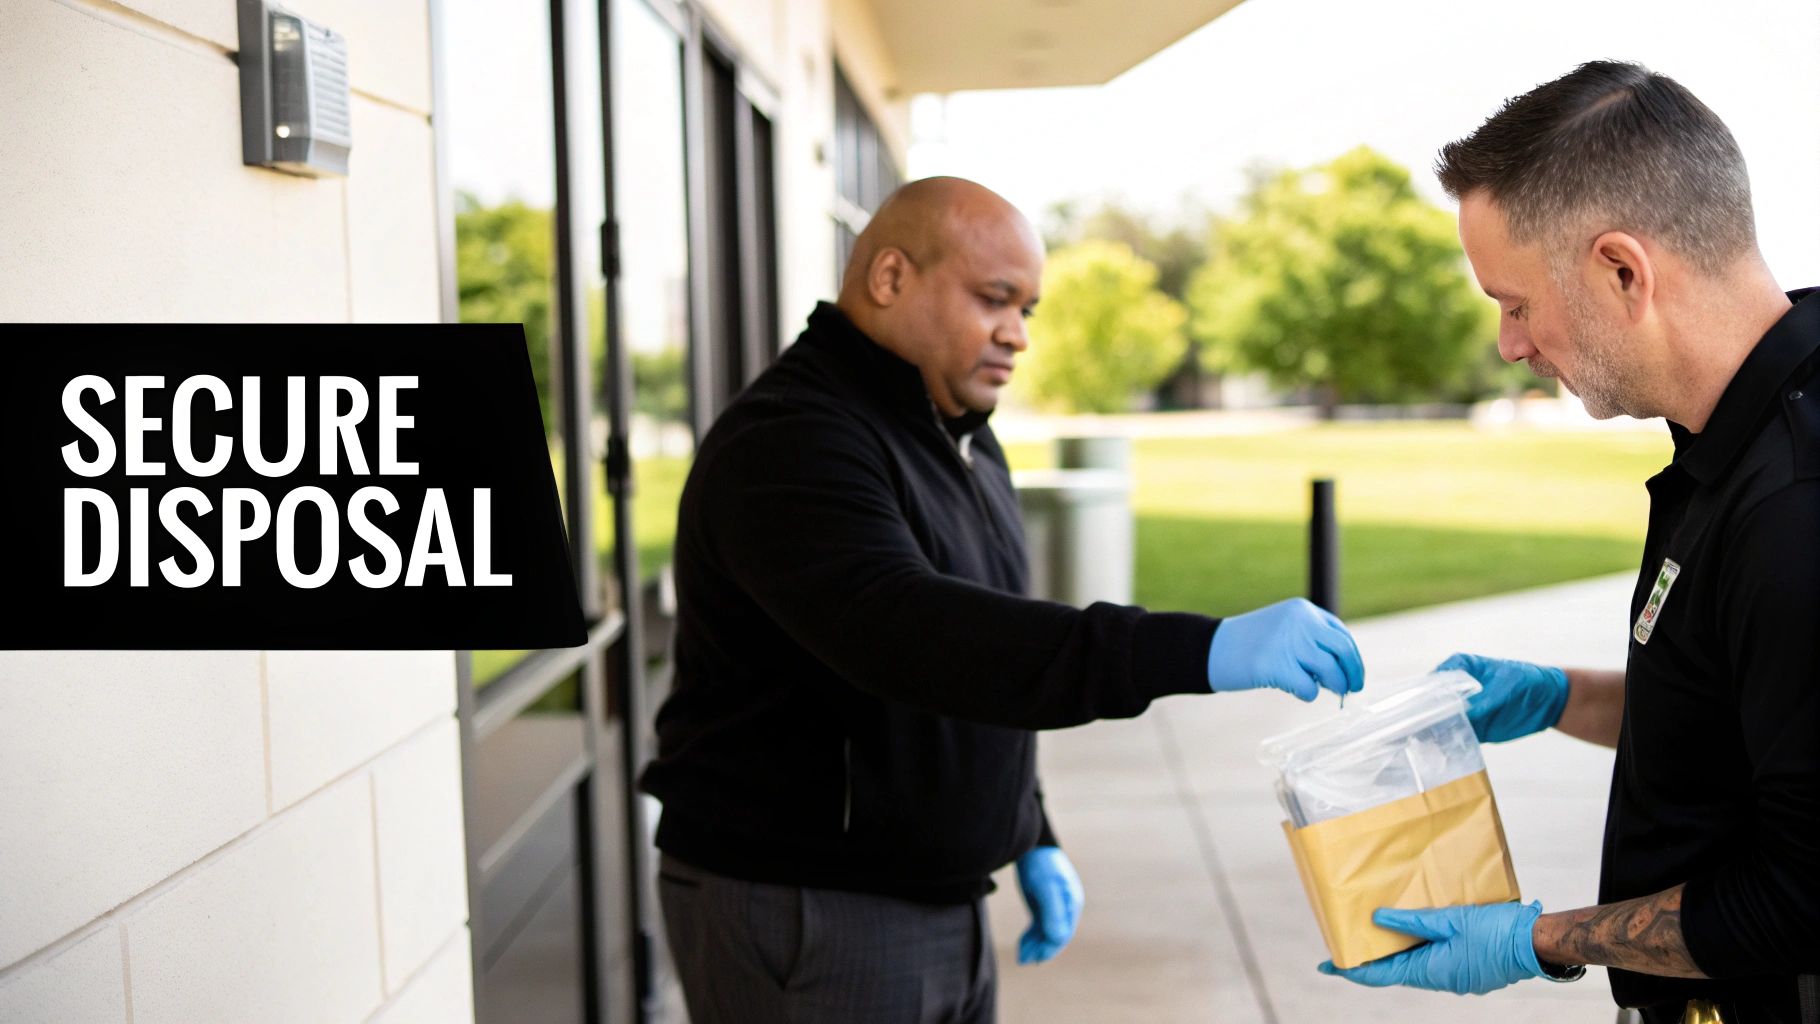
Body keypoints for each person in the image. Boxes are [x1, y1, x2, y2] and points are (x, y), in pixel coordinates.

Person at [639, 175, 1364, 1024]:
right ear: (889, 278)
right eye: (995, 299)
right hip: (814, 906)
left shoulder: (960, 439)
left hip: (931, 890)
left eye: (1029, 309)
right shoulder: (793, 442)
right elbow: (918, 637)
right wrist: (1197, 650)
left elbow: (992, 654)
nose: (1017, 335)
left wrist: (1030, 826)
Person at [1320, 61, 1820, 1023]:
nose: (1510, 344)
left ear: (1622, 271)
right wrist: (1561, 697)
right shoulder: (1732, 439)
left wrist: (1538, 939)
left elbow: (1803, 899)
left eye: (1514, 303)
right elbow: (1749, 721)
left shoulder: (1794, 504)